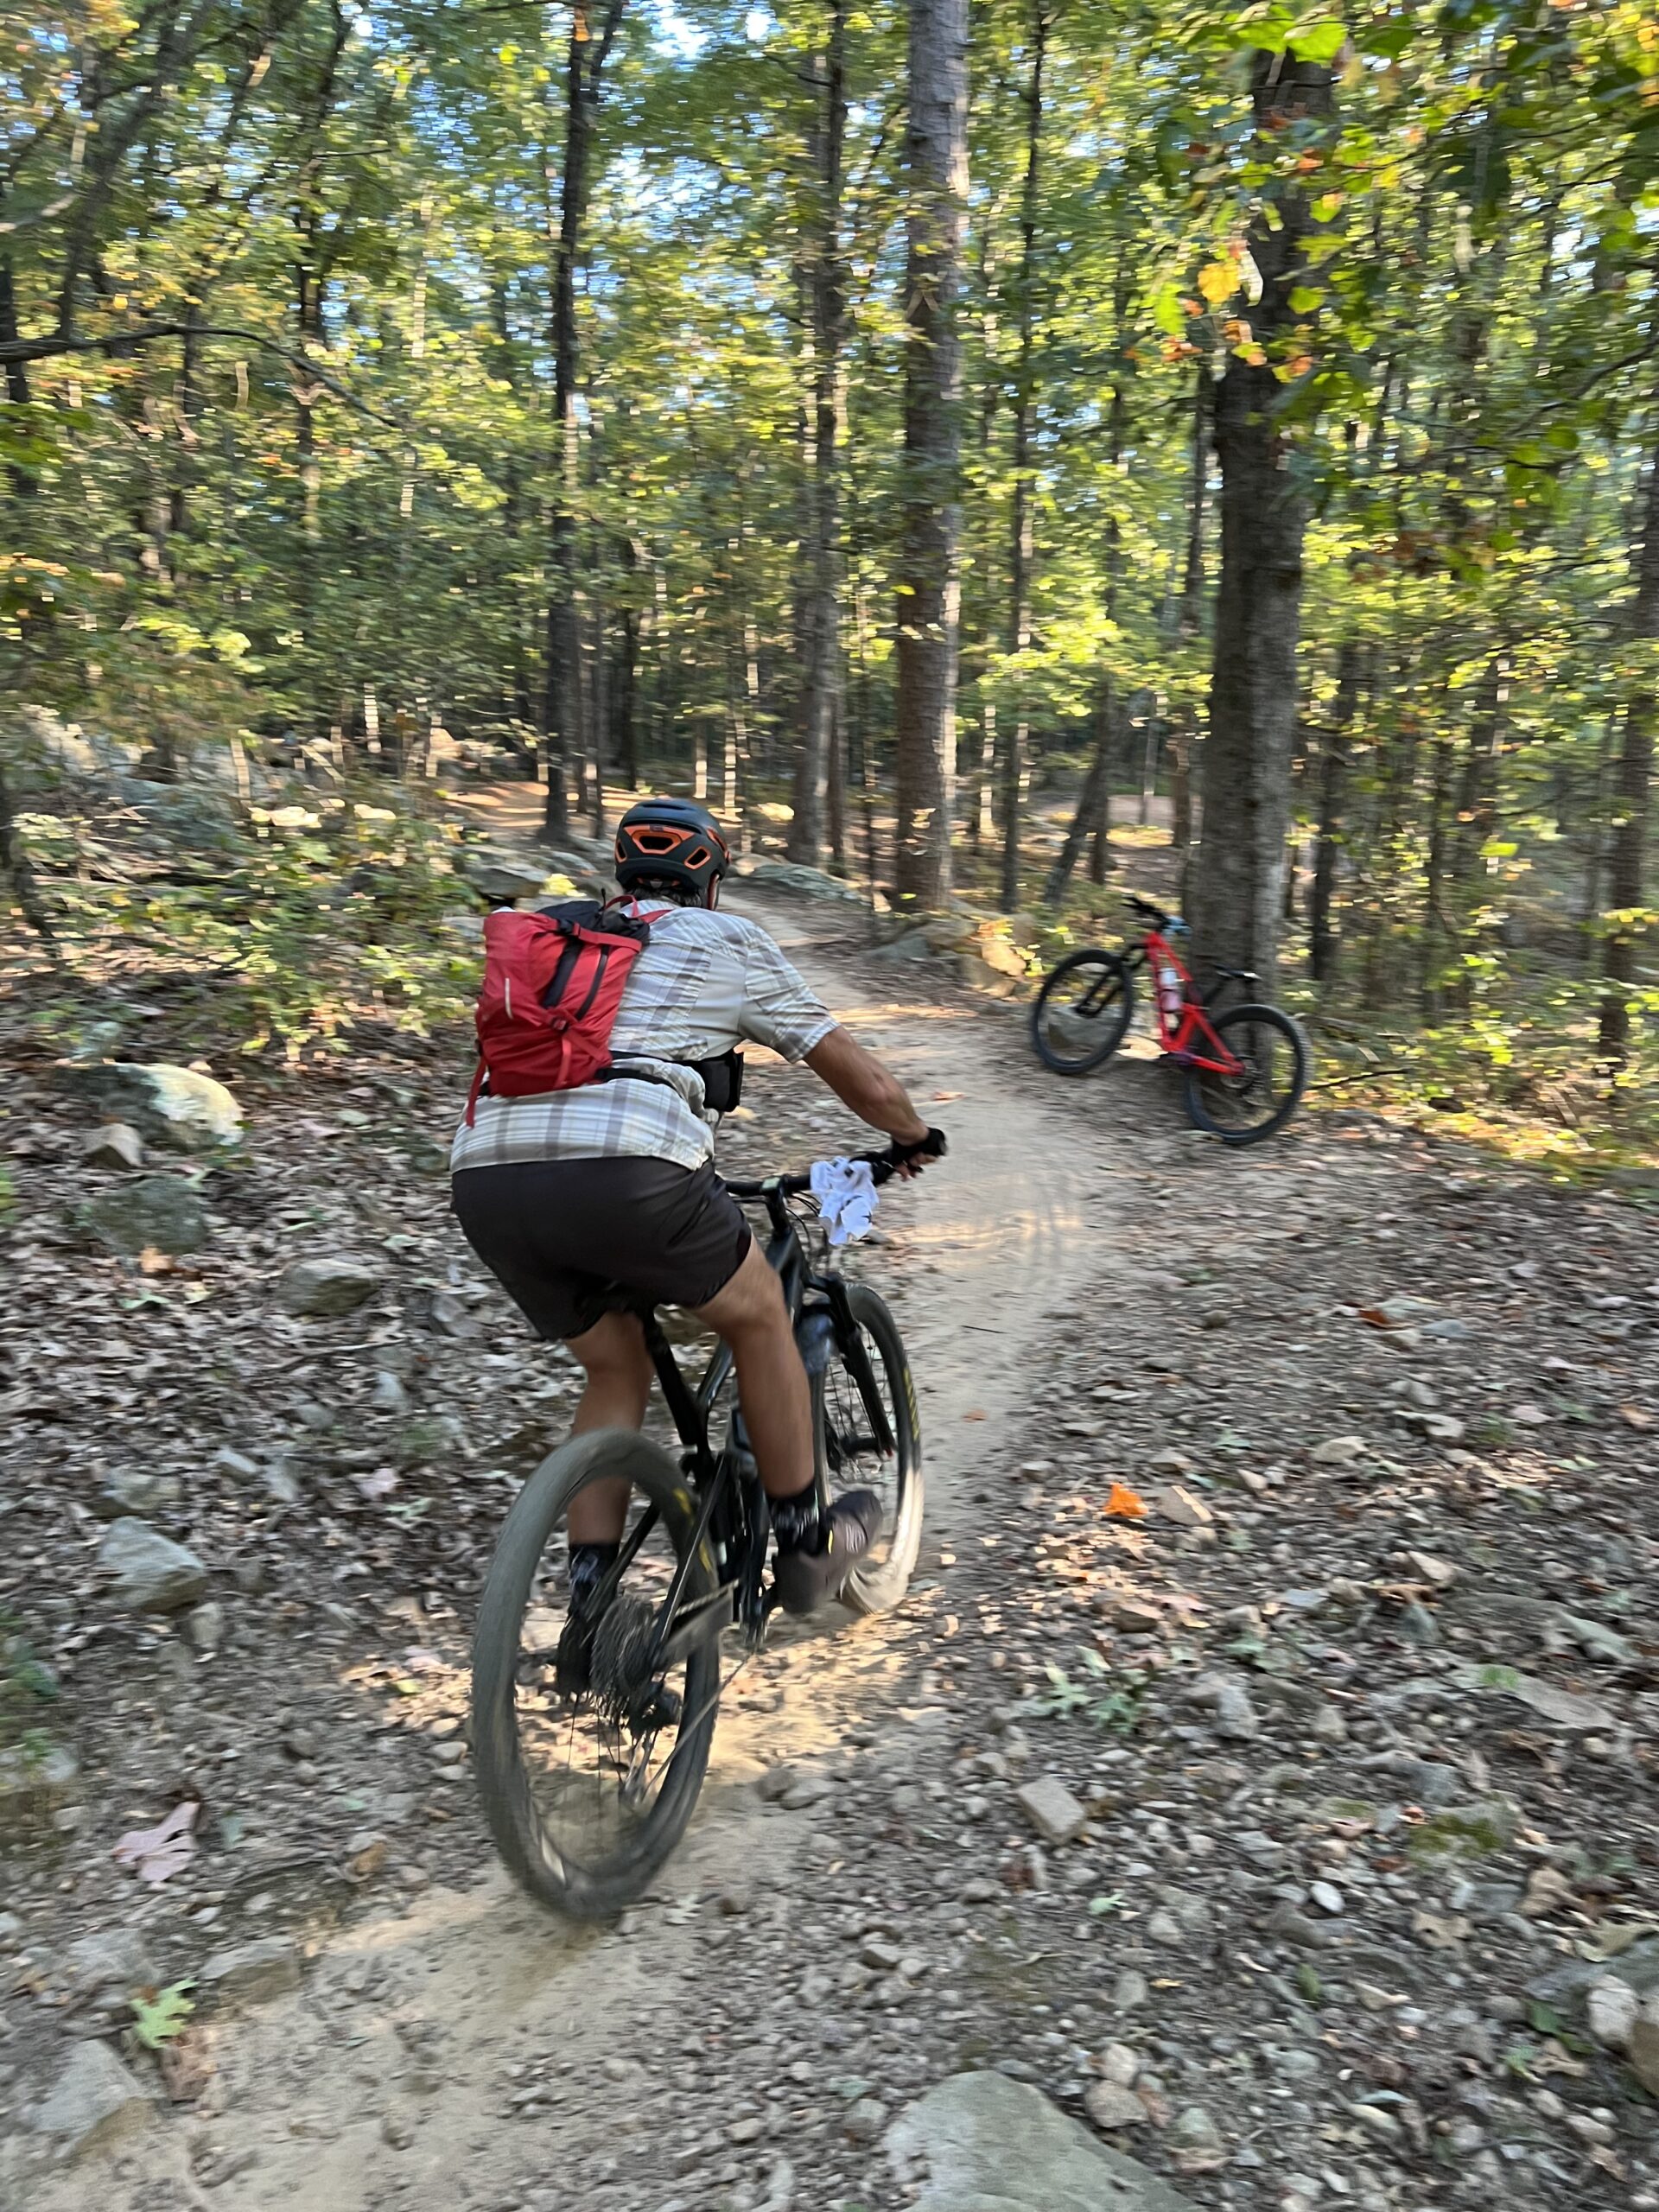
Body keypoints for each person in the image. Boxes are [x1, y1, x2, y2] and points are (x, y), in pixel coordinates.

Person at [450, 796, 945, 1617]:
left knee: (614, 1366)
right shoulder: (731, 939)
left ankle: (591, 1601)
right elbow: (868, 1082)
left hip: (488, 1181)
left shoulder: (556, 941)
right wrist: (913, 1135)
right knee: (758, 1318)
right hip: (634, 1173)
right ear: (709, 880)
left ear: (622, 872)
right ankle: (806, 1543)